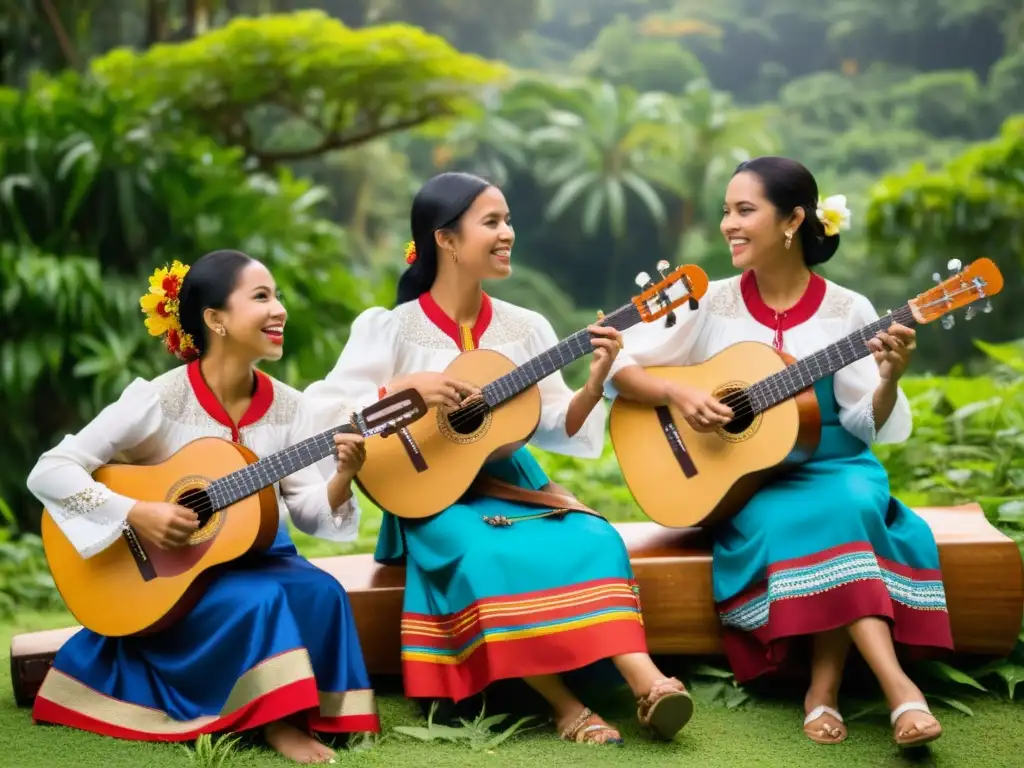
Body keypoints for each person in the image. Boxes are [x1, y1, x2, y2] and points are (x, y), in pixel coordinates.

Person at [302, 172, 693, 745]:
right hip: (429, 496)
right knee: (484, 555)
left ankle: (649, 683)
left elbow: (556, 423)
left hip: (514, 482)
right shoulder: (389, 328)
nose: (508, 233)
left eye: (508, 220)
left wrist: (593, 384)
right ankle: (566, 707)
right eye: (492, 222)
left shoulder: (526, 326)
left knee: (597, 539)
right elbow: (325, 408)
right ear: (447, 239)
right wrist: (403, 394)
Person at [606, 157, 953, 749]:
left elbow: (865, 424)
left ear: (793, 220)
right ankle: (896, 693)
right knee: (817, 519)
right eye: (726, 212)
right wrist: (677, 391)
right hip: (752, 482)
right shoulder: (710, 303)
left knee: (840, 509)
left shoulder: (847, 310)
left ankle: (832, 691)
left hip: (838, 467)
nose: (728, 225)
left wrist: (890, 379)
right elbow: (616, 360)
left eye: (745, 211)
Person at [26, 250, 379, 764]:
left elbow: (307, 510)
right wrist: (135, 512)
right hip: (173, 572)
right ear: (215, 319)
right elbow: (50, 470)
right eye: (261, 297)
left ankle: (322, 710)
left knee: (324, 592)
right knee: (261, 602)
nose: (279, 309)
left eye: (277, 295)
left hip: (260, 554)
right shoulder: (157, 400)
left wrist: (343, 478)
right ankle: (278, 725)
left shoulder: (291, 407)